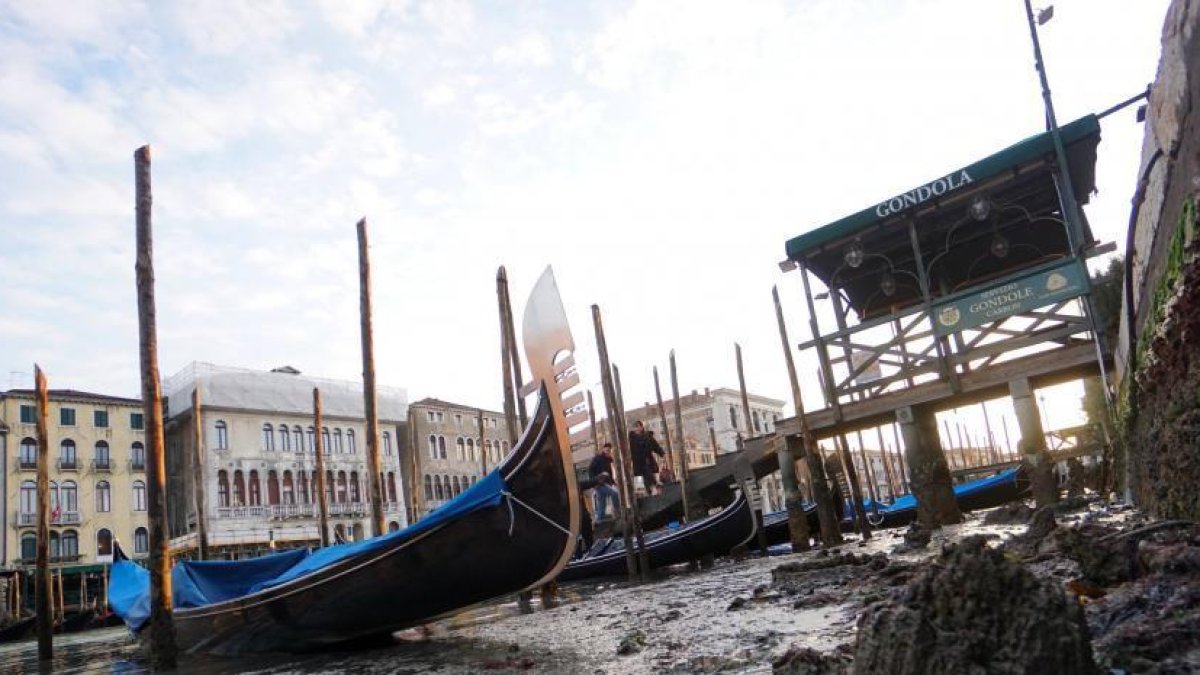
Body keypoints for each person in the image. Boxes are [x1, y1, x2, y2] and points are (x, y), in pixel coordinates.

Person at [629, 421, 665, 496]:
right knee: (638, 478)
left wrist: (662, 454)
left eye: (638, 426)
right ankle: (640, 495)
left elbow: (656, 446)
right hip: (637, 461)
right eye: (635, 427)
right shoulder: (631, 438)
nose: (637, 429)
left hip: (647, 458)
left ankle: (654, 489)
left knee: (651, 473)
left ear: (641, 427)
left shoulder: (647, 436)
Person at [588, 443, 620, 522]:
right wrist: (594, 481)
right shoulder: (598, 458)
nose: (607, 452)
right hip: (599, 483)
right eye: (606, 450)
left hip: (605, 483)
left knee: (602, 504)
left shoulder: (609, 460)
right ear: (603, 450)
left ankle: (599, 521)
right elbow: (590, 469)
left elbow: (609, 473)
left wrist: (613, 482)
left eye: (609, 451)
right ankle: (618, 512)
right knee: (614, 493)